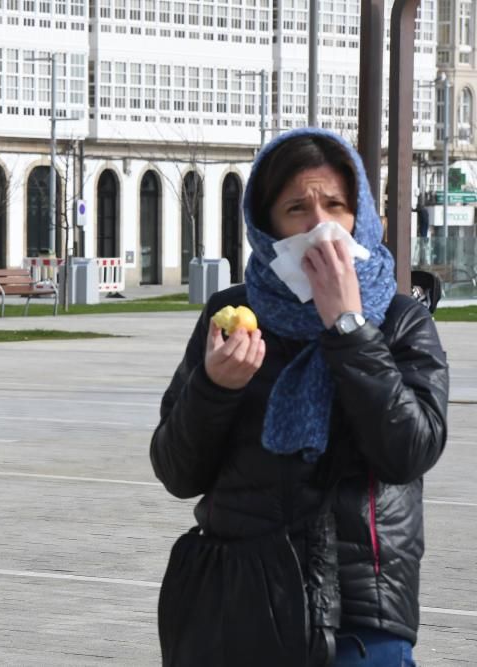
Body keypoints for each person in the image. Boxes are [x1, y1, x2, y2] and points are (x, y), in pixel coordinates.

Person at [150, 128, 448, 667]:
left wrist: (350, 329)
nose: (320, 225)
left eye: (335, 205)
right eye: (296, 208)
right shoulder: (232, 316)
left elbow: (409, 449)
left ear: (361, 216)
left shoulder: (401, 320)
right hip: (243, 602)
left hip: (362, 612)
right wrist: (215, 389)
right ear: (267, 230)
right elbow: (177, 471)